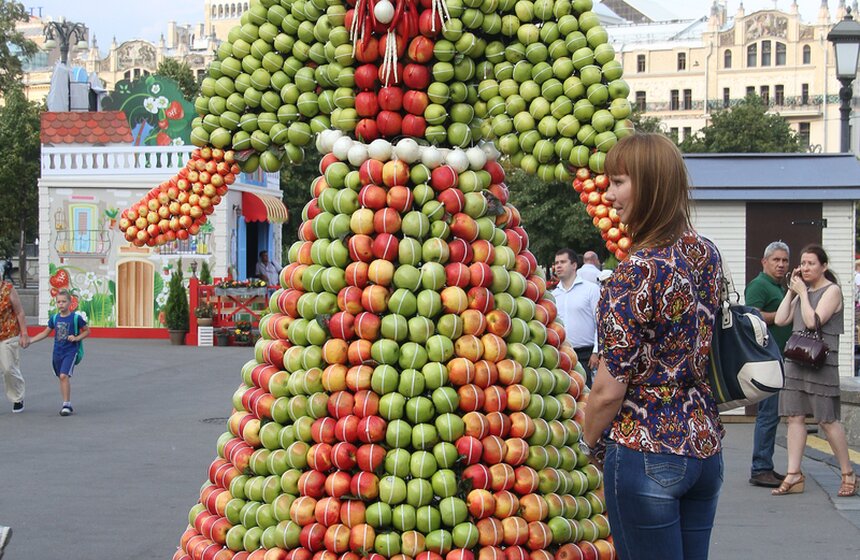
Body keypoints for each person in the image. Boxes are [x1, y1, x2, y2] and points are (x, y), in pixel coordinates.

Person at [582, 134, 724, 560]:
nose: (609, 195)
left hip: (646, 449)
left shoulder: (637, 272)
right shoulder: (706, 254)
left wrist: (584, 444)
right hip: (704, 443)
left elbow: (609, 389)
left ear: (650, 185)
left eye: (619, 182)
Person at [772, 245, 857, 497]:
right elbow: (780, 319)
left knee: (827, 420)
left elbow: (812, 321)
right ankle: (793, 473)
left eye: (810, 263)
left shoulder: (832, 291)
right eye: (803, 263)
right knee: (794, 417)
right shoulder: (801, 291)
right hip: (797, 361)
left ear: (823, 266)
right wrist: (792, 291)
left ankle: (847, 472)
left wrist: (804, 295)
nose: (805, 268)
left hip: (821, 363)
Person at [745, 241, 792, 488]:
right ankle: (760, 467)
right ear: (764, 262)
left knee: (773, 415)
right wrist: (782, 317)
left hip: (780, 359)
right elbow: (750, 315)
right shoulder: (759, 285)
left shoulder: (779, 287)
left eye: (784, 260)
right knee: (767, 414)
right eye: (776, 260)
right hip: (767, 359)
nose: (781, 264)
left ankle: (766, 466)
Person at [29, 290, 89, 416]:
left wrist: (77, 338)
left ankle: (66, 404)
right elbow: (45, 333)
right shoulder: (54, 318)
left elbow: (87, 331)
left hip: (71, 351)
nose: (61, 304)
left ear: (70, 302)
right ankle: (66, 402)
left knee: (63, 376)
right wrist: (31, 340)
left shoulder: (76, 318)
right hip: (57, 352)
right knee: (60, 377)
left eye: (64, 301)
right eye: (58, 302)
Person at [552, 248, 600, 386]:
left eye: (563, 262)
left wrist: (596, 351)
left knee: (587, 396)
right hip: (562, 354)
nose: (558, 266)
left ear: (574, 265)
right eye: (556, 263)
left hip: (587, 355)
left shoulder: (591, 289)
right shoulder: (554, 295)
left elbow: (600, 322)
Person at [0, 279, 29, 412]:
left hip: (8, 334)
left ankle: (17, 397)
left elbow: (19, 312)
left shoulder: (8, 289)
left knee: (8, 369)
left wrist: (24, 333)